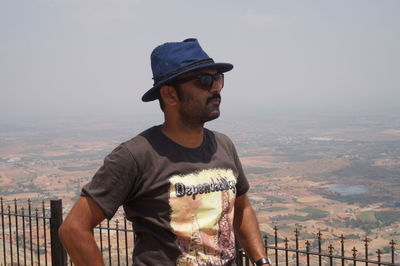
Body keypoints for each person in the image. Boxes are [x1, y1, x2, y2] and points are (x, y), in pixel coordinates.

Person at [59, 38, 271, 266]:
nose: (215, 88)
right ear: (170, 95)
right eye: (204, 80)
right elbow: (73, 228)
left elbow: (241, 209)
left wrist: (262, 262)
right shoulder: (136, 155)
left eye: (218, 78)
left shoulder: (224, 145)